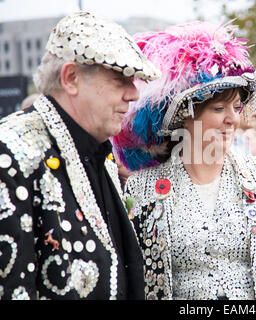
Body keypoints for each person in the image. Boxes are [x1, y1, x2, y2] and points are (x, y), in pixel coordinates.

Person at [113, 21, 256, 300]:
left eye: (237, 107)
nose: (233, 119)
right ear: (185, 116)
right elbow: (133, 281)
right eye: (219, 108)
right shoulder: (142, 188)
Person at [0, 11, 160, 300]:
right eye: (119, 78)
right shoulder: (10, 151)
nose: (133, 94)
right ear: (71, 78)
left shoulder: (99, 153)